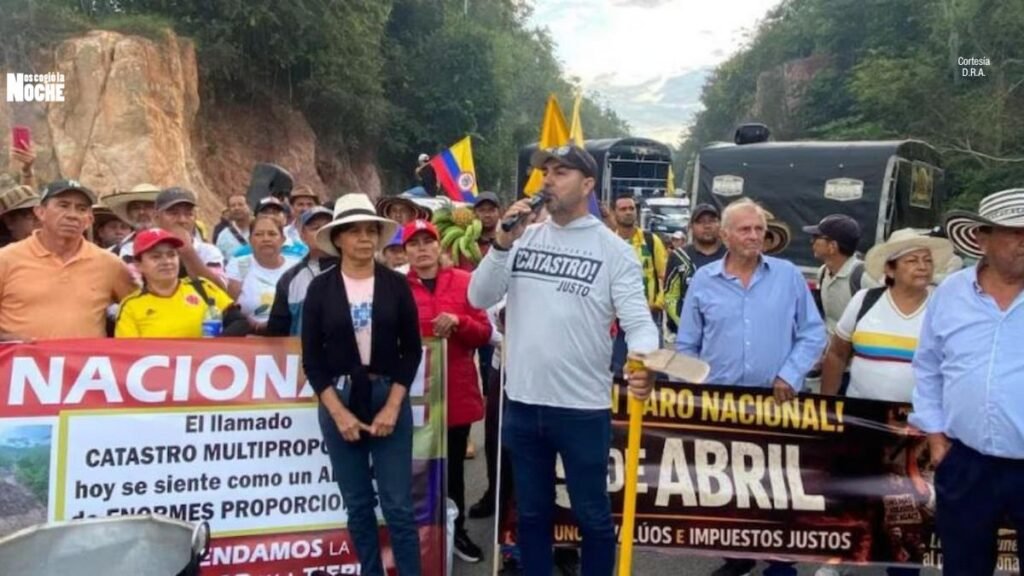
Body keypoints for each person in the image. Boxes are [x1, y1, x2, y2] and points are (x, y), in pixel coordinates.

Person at [468, 144, 658, 576]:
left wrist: (643, 361)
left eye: (561, 172)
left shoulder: (614, 251)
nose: (547, 180)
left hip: (581, 409)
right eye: (545, 172)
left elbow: (639, 323)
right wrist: (500, 244)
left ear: (588, 184)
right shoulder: (523, 238)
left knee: (592, 517)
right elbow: (478, 297)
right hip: (523, 403)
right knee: (532, 515)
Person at [675, 198, 826, 576]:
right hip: (721, 404)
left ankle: (781, 562)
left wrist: (789, 375)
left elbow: (812, 333)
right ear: (725, 235)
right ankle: (736, 556)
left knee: (780, 484)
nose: (754, 236)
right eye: (745, 229)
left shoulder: (788, 276)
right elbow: (687, 344)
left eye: (759, 229)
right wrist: (694, 387)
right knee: (727, 483)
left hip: (778, 402)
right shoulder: (703, 281)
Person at [816, 229, 952, 576]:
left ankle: (902, 569)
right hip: (865, 418)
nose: (923, 266)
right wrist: (828, 407)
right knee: (853, 493)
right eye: (912, 260)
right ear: (890, 269)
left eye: (926, 259)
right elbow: (837, 354)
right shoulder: (865, 300)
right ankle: (839, 561)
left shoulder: (943, 305)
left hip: (919, 425)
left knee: (910, 503)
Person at [302, 193, 422, 576]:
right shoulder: (320, 289)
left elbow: (412, 351)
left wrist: (392, 406)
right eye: (354, 231)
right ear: (337, 239)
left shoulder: (396, 285)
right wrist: (338, 414)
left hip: (388, 394)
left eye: (371, 230)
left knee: (398, 506)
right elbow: (312, 359)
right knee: (357, 504)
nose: (364, 238)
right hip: (339, 398)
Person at [911, 188, 1024, 576]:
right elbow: (927, 365)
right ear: (982, 238)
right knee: (964, 566)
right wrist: (936, 434)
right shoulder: (950, 293)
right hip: (966, 461)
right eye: (1015, 232)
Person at [403, 218, 491, 563]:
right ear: (405, 251)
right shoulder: (396, 287)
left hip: (455, 391)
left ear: (439, 247)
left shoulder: (465, 282)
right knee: (415, 469)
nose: (422, 249)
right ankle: (417, 537)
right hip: (412, 397)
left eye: (428, 242)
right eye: (414, 243)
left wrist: (460, 322)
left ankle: (457, 531)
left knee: (453, 469)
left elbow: (483, 334)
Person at [0, 180, 136, 341]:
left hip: (84, 365)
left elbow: (144, 308)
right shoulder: (6, 259)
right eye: (63, 206)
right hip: (18, 364)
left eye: (81, 209)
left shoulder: (110, 264)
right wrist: (8, 341)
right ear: (40, 212)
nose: (72, 215)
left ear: (89, 219)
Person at [115, 228, 240, 338]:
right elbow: (126, 356)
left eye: (171, 254)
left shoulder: (203, 288)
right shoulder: (131, 307)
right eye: (156, 257)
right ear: (139, 265)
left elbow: (239, 321)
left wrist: (212, 347)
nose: (167, 261)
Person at [610, 194, 667, 375]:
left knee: (653, 368)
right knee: (619, 368)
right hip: (618, 318)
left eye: (631, 208)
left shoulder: (651, 241)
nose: (628, 212)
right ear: (614, 213)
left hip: (650, 314)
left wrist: (658, 303)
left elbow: (664, 276)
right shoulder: (609, 243)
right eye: (623, 209)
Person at [266, 206, 338, 337]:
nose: (322, 232)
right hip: (302, 355)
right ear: (302, 235)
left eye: (328, 227)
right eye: (315, 228)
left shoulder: (354, 270)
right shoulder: (288, 279)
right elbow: (277, 333)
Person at [226, 215, 301, 333]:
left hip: (289, 335)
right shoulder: (238, 265)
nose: (266, 239)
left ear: (283, 239)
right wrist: (253, 326)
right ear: (250, 240)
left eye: (272, 234)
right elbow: (229, 304)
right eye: (259, 234)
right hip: (249, 335)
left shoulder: (297, 267)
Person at [664, 203, 726, 335]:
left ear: (720, 224)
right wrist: (687, 327)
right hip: (686, 335)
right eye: (701, 222)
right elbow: (670, 297)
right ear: (691, 227)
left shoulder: (731, 255)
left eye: (712, 221)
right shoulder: (679, 257)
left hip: (724, 334)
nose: (707, 226)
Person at [804, 214, 865, 336]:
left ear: (833, 246)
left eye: (816, 237)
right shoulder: (823, 272)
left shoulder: (863, 275)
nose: (812, 242)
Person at [106, 183, 161, 261]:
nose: (142, 212)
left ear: (160, 211)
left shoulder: (178, 246)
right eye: (136, 208)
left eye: (148, 206)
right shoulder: (112, 254)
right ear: (128, 213)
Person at [0, 176, 40, 248]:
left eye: (41, 213)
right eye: (29, 215)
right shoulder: (5, 256)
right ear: (9, 222)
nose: (38, 220)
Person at [214, 193, 252, 260]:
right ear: (229, 210)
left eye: (240, 204)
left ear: (249, 207)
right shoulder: (223, 236)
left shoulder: (260, 231)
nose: (237, 208)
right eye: (233, 206)